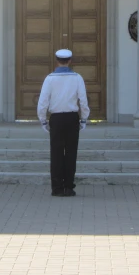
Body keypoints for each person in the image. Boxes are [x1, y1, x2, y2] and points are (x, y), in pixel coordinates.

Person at [37, 49, 90, 197]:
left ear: (56, 60)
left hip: (57, 119)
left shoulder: (50, 78)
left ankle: (57, 188)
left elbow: (42, 102)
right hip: (72, 118)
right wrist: (84, 118)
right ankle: (69, 187)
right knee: (71, 153)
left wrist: (43, 120)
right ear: (70, 61)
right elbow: (83, 101)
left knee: (56, 153)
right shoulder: (77, 78)